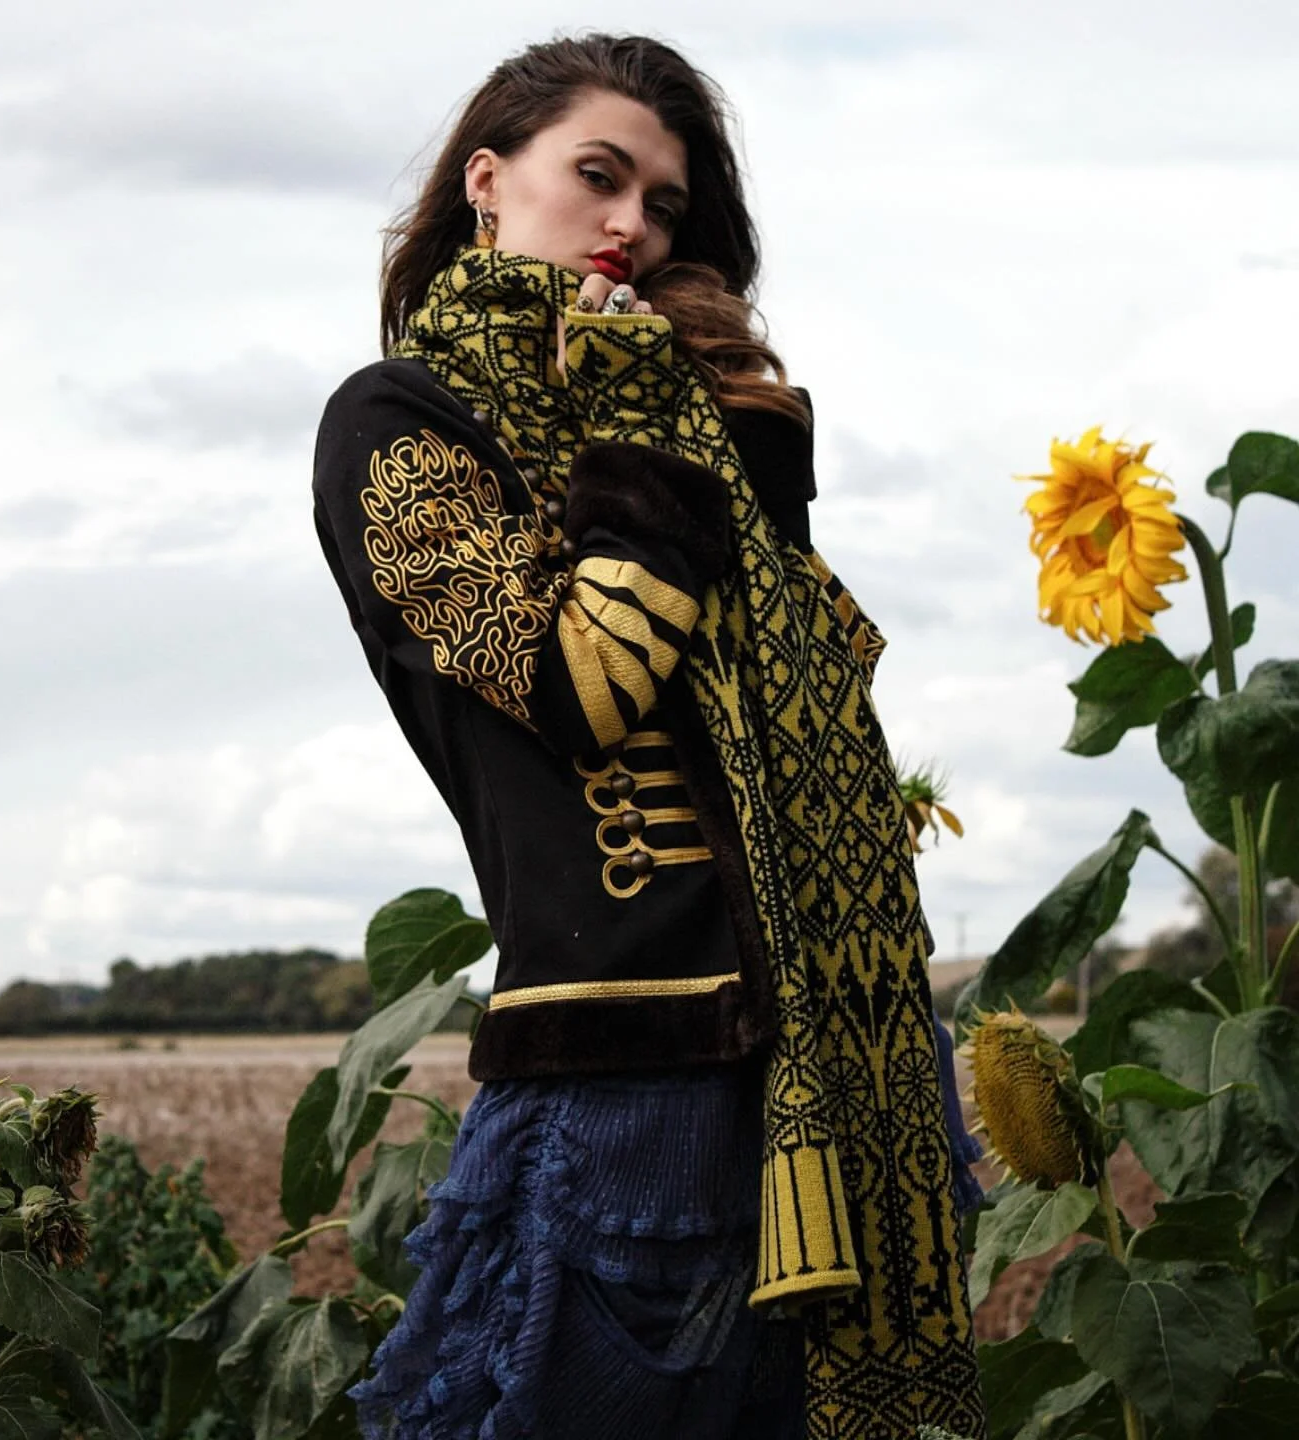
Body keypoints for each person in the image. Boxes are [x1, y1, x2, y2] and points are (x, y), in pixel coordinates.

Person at [312, 33, 986, 1440]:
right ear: (488, 183)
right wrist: (660, 452)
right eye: (599, 177)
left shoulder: (688, 420)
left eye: (664, 205)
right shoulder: (397, 420)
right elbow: (576, 683)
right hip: (627, 1085)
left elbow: (826, 699)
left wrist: (729, 448)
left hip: (834, 1066)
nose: (631, 226)